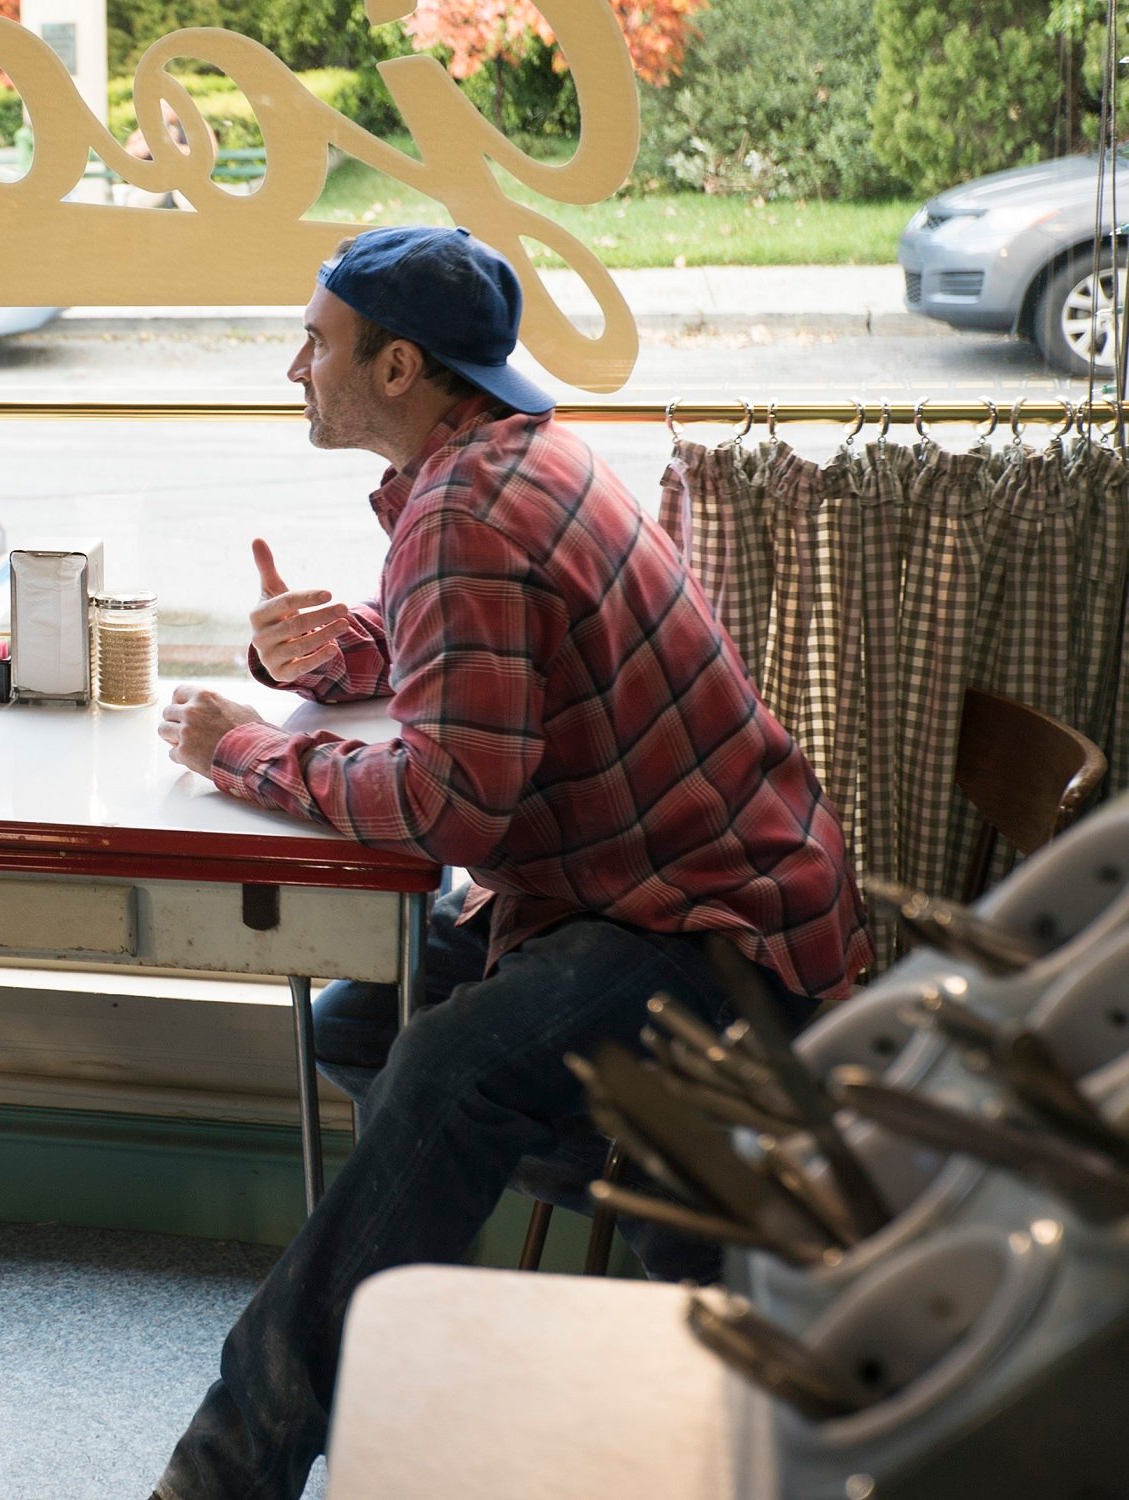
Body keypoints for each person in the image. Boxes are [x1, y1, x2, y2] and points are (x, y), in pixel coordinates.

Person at [151, 226, 872, 1500]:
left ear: (397, 366)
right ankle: (671, 1210)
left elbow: (447, 812)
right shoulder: (519, 458)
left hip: (721, 937)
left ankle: (226, 1471)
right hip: (679, 892)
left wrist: (251, 752)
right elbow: (474, 658)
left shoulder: (464, 511)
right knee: (359, 1020)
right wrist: (317, 658)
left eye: (312, 342)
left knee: (435, 1068)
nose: (290, 368)